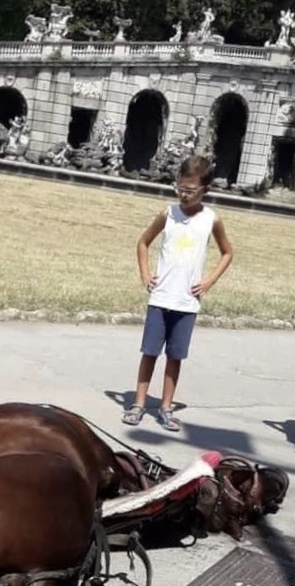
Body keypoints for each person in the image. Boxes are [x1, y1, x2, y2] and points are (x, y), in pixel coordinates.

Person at [122, 156, 233, 432]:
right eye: (179, 188)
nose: (183, 194)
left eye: (190, 190)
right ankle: (138, 403)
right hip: (161, 298)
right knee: (150, 352)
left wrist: (208, 282)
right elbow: (144, 242)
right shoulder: (168, 214)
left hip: (187, 302)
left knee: (175, 356)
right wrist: (146, 274)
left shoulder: (211, 220)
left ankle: (166, 407)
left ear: (204, 190)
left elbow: (227, 253)